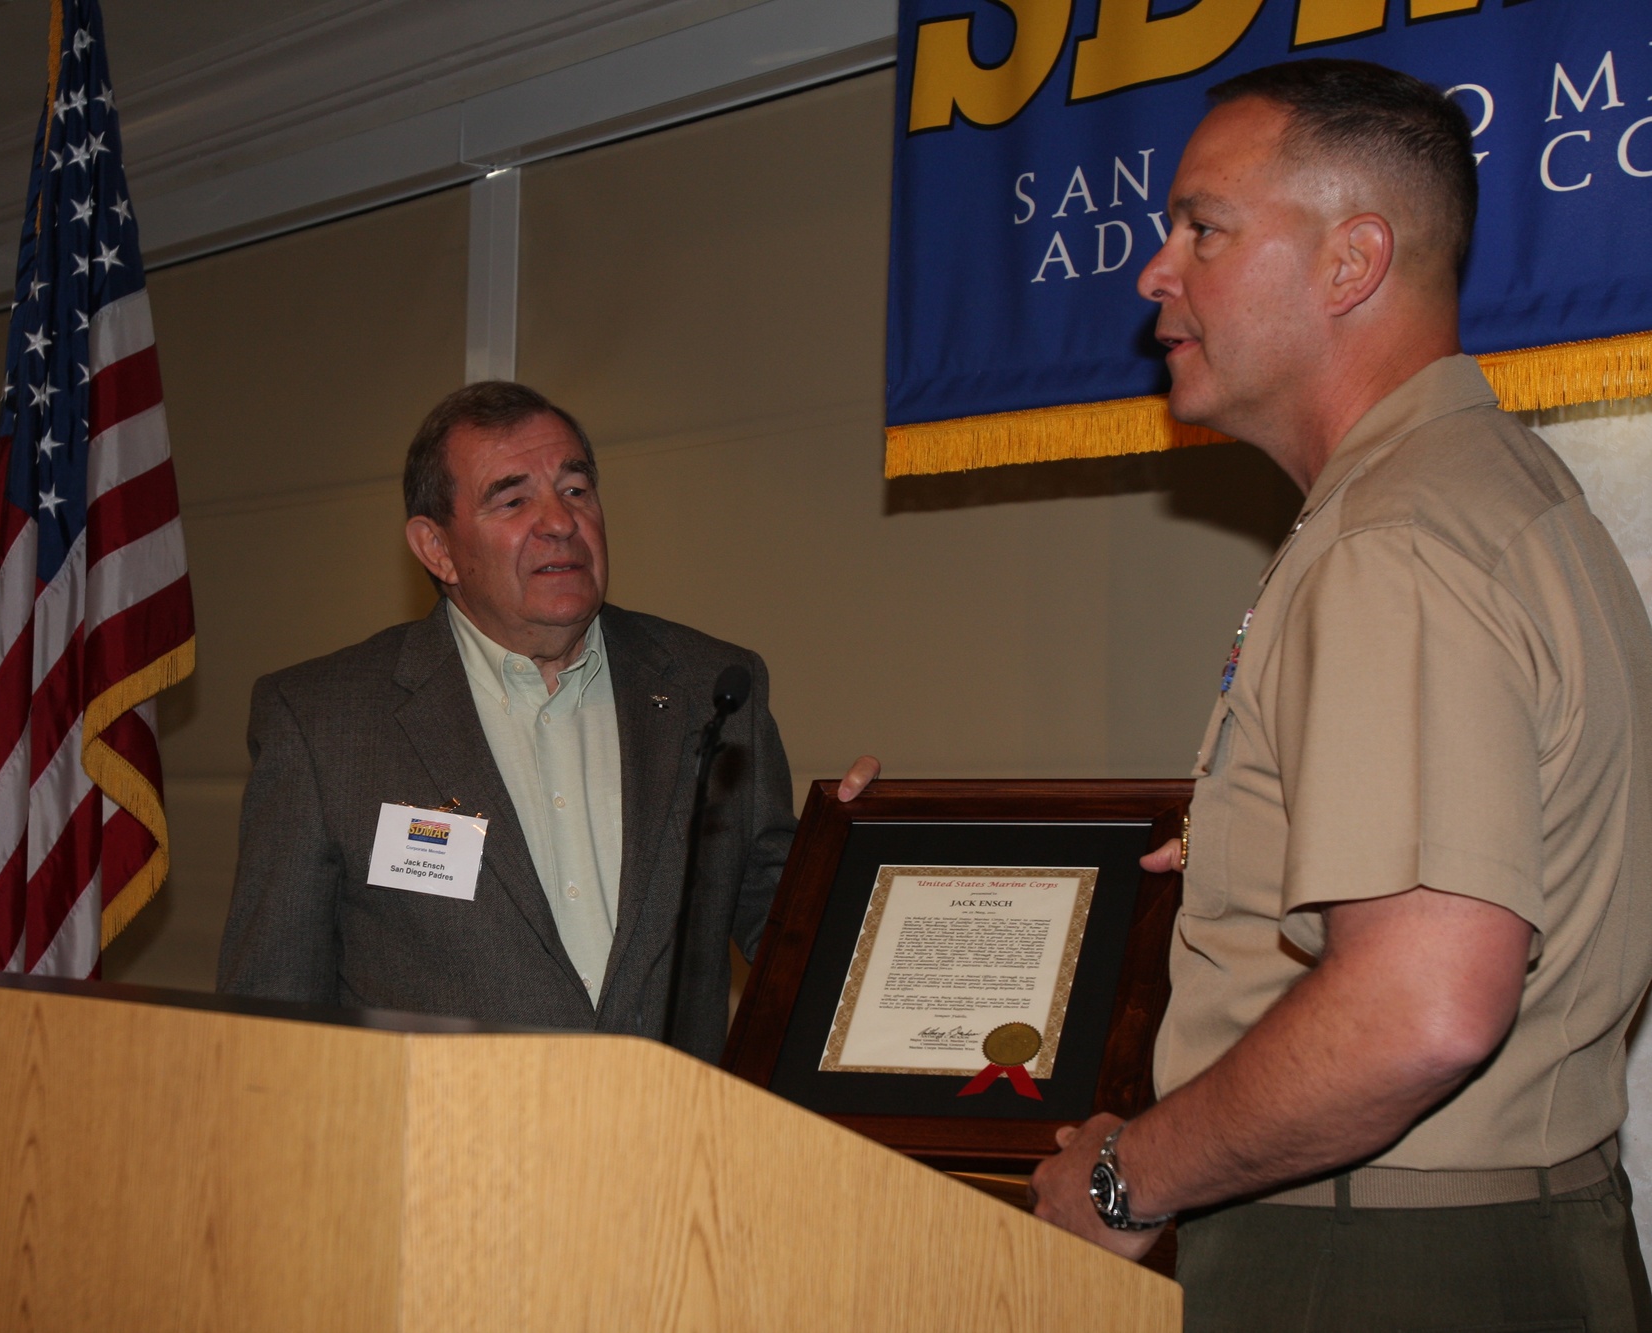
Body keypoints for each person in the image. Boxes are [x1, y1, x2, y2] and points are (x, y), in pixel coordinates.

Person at [1028, 59, 1652, 1328]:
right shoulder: (1499, 497)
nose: (1156, 271)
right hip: (1496, 1229)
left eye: (1203, 227)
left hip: (1379, 1265)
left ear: (1349, 262)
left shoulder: (1394, 541)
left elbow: (1417, 1006)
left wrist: (1124, 1176)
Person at [217, 380, 877, 1059]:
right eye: (512, 499)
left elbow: (789, 932)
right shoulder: (326, 720)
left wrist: (858, 853)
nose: (560, 521)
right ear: (436, 547)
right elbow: (270, 1014)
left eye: (575, 490)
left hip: (669, 1152)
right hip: (439, 1158)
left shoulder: (711, 689)